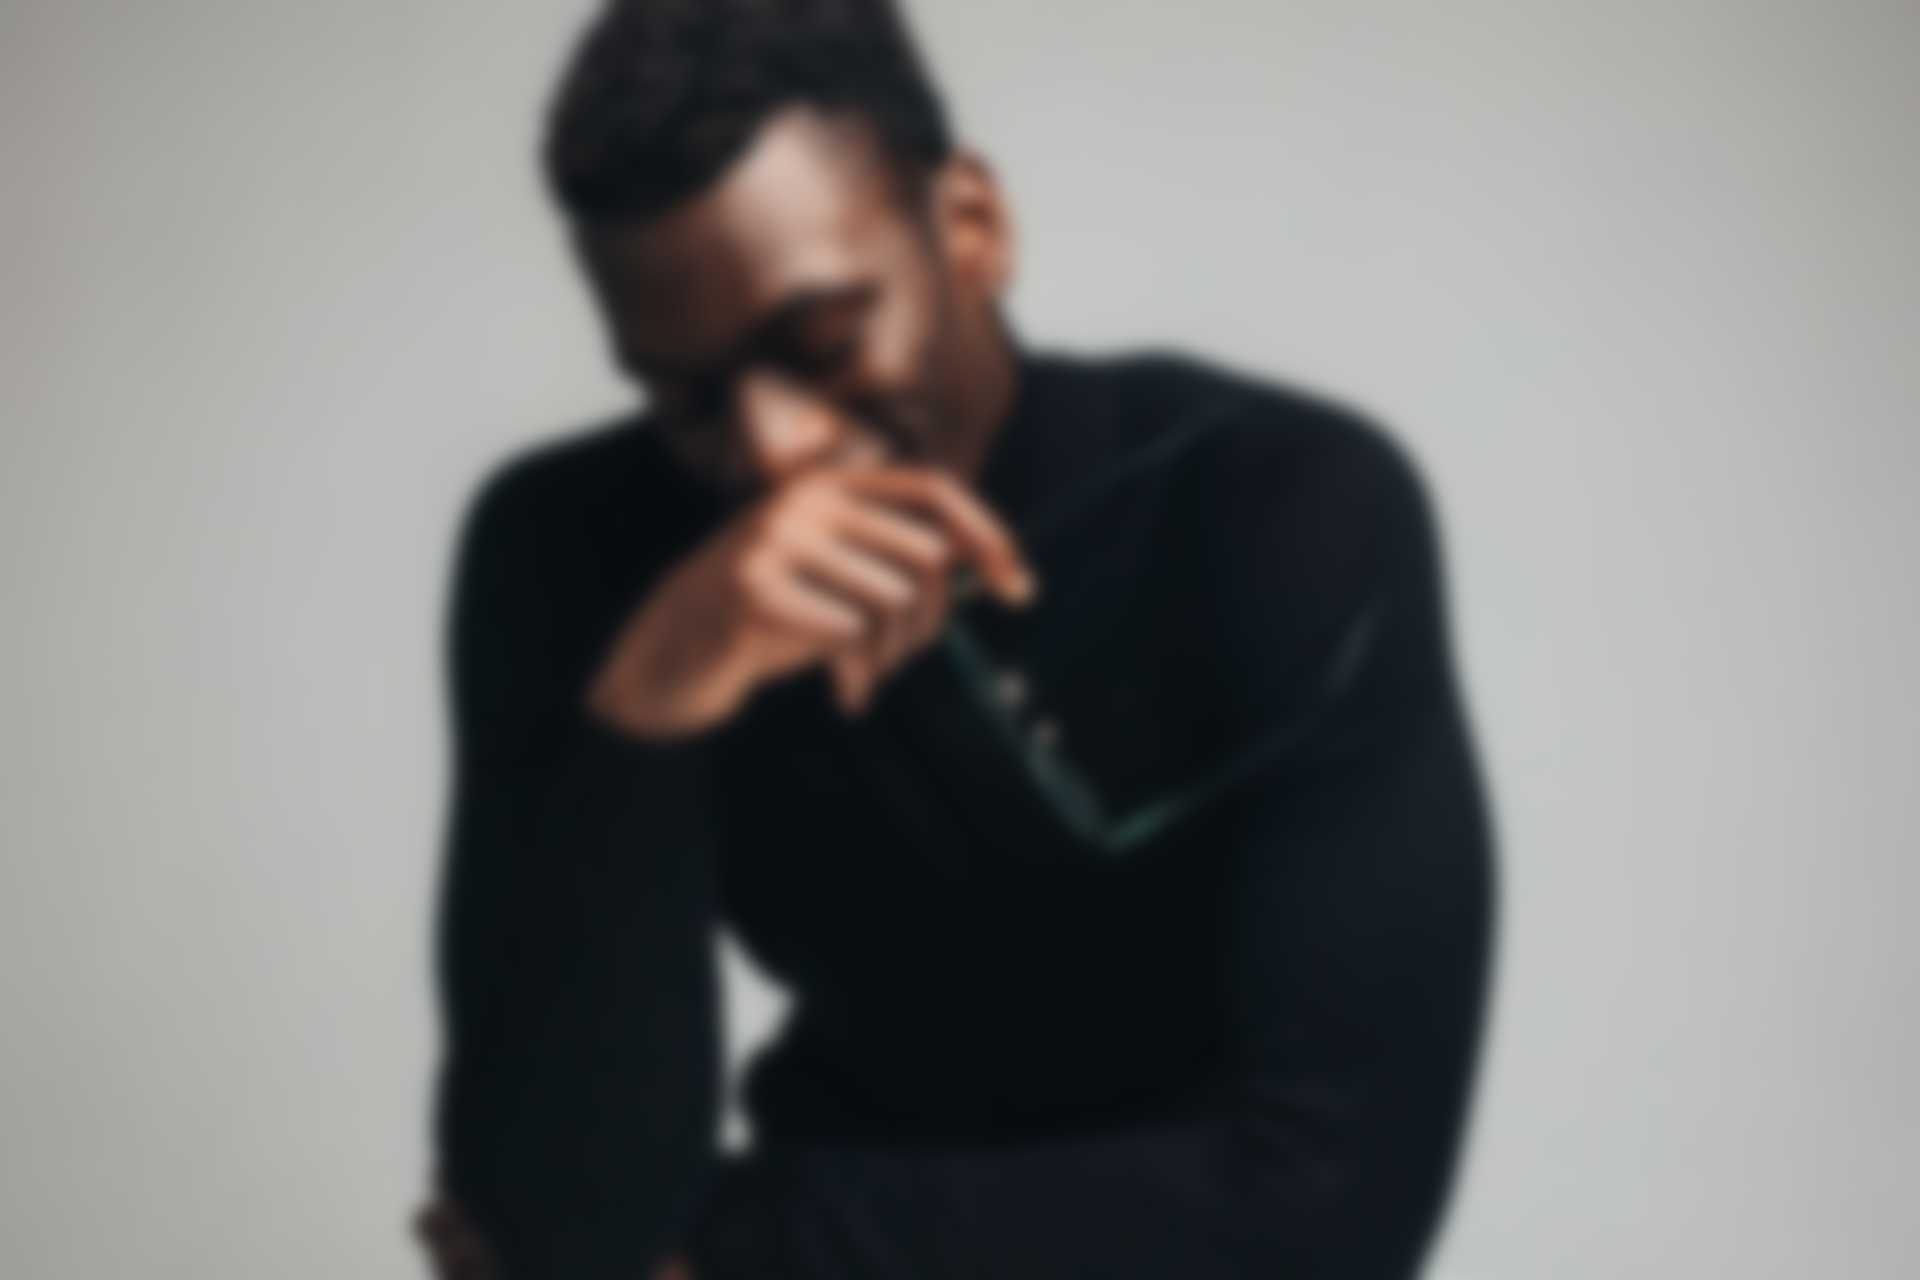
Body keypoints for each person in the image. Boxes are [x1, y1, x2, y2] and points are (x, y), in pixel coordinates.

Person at [416, 1, 1497, 1276]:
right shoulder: (576, 554)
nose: (774, 450)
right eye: (683, 399)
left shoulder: (1272, 508)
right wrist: (651, 702)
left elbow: (1335, 1208)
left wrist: (738, 1249)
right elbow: (547, 1223)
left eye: (824, 346)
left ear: (972, 225)